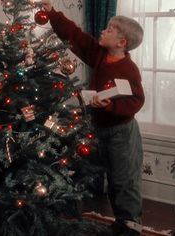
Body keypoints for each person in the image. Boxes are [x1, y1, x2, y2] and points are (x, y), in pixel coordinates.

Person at [41, 1, 145, 235]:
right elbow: (75, 36)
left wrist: (110, 106)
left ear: (121, 43)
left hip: (122, 131)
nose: (102, 31)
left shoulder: (128, 69)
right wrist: (52, 13)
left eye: (108, 30)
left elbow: (135, 101)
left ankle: (129, 225)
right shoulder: (98, 54)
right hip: (97, 127)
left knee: (124, 179)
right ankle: (70, 214)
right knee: (91, 171)